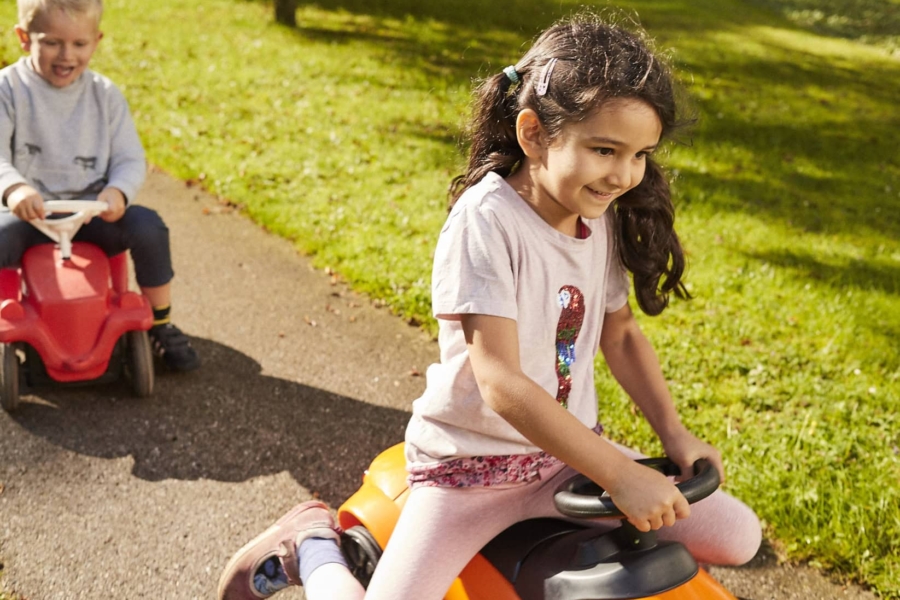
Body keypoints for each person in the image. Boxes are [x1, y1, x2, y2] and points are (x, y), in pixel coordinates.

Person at [218, 12, 762, 600]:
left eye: (640, 155)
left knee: (740, 536)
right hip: (469, 474)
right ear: (533, 134)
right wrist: (618, 472)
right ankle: (316, 546)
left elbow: (622, 335)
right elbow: (500, 382)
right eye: (606, 149)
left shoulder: (595, 215)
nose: (625, 175)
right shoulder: (487, 222)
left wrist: (673, 433)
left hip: (559, 464)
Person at [0, 0, 200, 372]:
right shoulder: (8, 90)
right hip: (29, 217)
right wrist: (14, 189)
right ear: (24, 39)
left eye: (79, 44)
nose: (66, 55)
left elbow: (128, 157)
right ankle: (6, 317)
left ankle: (160, 322)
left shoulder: (105, 95)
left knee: (148, 226)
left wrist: (117, 192)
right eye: (52, 42)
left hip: (92, 213)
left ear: (96, 41)